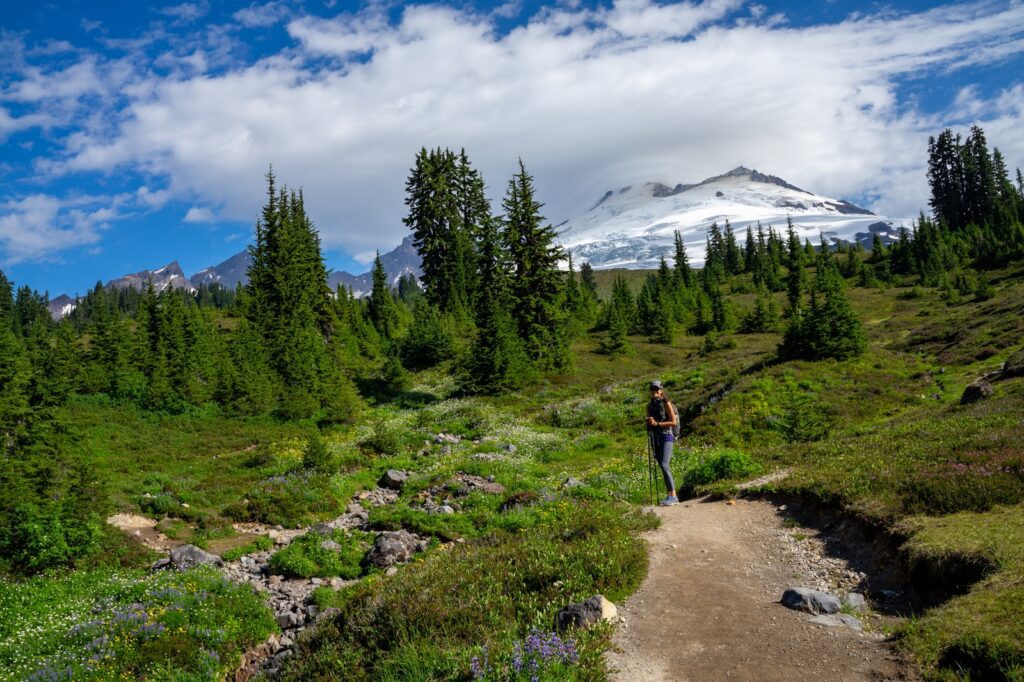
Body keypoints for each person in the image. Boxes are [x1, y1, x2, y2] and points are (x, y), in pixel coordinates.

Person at [646, 380, 678, 506]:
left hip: (666, 436)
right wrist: (649, 422)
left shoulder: (666, 403)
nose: (654, 391)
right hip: (655, 438)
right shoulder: (648, 406)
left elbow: (673, 422)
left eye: (657, 389)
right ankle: (670, 494)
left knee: (664, 464)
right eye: (652, 389)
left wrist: (658, 424)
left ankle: (674, 496)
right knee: (662, 466)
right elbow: (649, 422)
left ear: (661, 390)